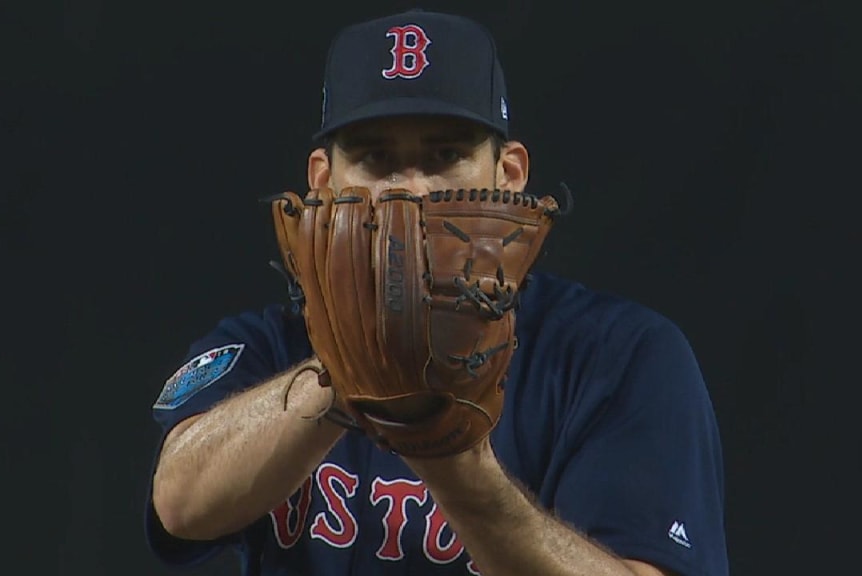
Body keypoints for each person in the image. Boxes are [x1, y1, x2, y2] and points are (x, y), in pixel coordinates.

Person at [144, 8, 729, 576]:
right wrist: (336, 382)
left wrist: (455, 460)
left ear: (510, 176)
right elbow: (178, 502)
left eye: (446, 156)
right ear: (322, 183)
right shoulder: (272, 346)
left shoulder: (617, 355)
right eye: (377, 159)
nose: (411, 191)